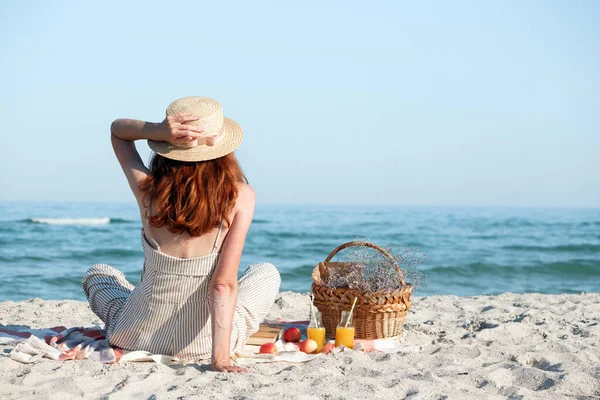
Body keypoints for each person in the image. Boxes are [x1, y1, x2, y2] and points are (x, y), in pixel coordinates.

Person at [82, 96, 281, 373]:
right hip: (201, 343)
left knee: (98, 273)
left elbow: (118, 132)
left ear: (166, 148)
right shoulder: (240, 197)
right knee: (265, 271)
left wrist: (156, 130)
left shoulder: (147, 190)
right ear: (224, 147)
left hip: (134, 336)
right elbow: (222, 285)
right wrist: (220, 359)